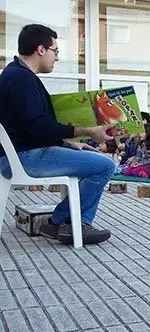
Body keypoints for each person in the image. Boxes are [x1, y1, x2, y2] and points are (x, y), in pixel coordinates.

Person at [0, 24, 113, 245]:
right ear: (41, 49)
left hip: (18, 154)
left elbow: (30, 127)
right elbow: (39, 127)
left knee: (96, 163)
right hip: (25, 158)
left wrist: (70, 144)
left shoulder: (15, 75)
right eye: (56, 51)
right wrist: (89, 131)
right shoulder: (21, 79)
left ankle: (60, 222)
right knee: (105, 166)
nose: (57, 57)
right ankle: (68, 223)